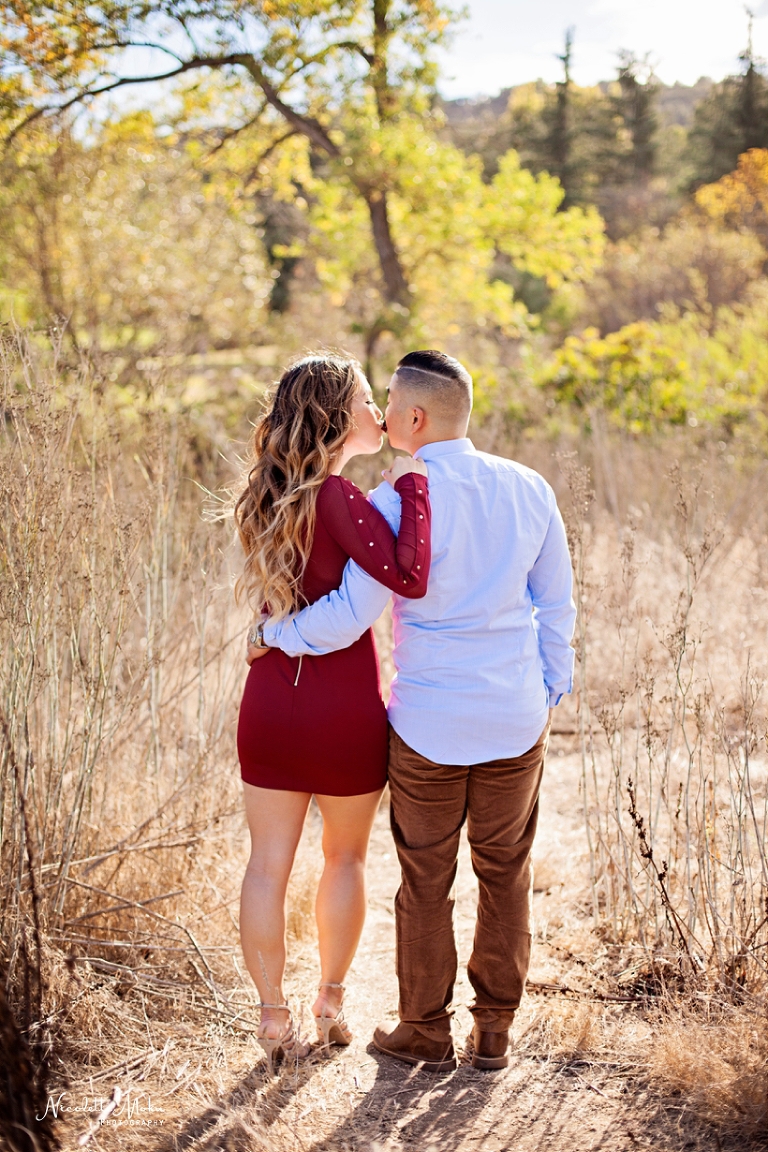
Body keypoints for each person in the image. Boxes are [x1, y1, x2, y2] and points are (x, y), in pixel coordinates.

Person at [256, 349, 576, 1073]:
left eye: (390, 402)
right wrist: (549, 688)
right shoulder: (529, 487)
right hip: (513, 718)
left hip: (427, 724)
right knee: (506, 874)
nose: (380, 413)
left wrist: (274, 635)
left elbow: (350, 615)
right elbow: (556, 602)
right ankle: (492, 1033)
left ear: (416, 418)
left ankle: (424, 1032)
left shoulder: (397, 501)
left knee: (425, 879)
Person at [234, 354, 431, 1072]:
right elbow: (406, 574)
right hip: (343, 706)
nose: (379, 411)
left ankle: (272, 1017)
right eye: (363, 399)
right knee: (344, 857)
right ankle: (331, 1003)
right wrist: (411, 491)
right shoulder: (342, 499)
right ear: (335, 416)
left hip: (269, 703)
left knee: (266, 867)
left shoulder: (266, 496)